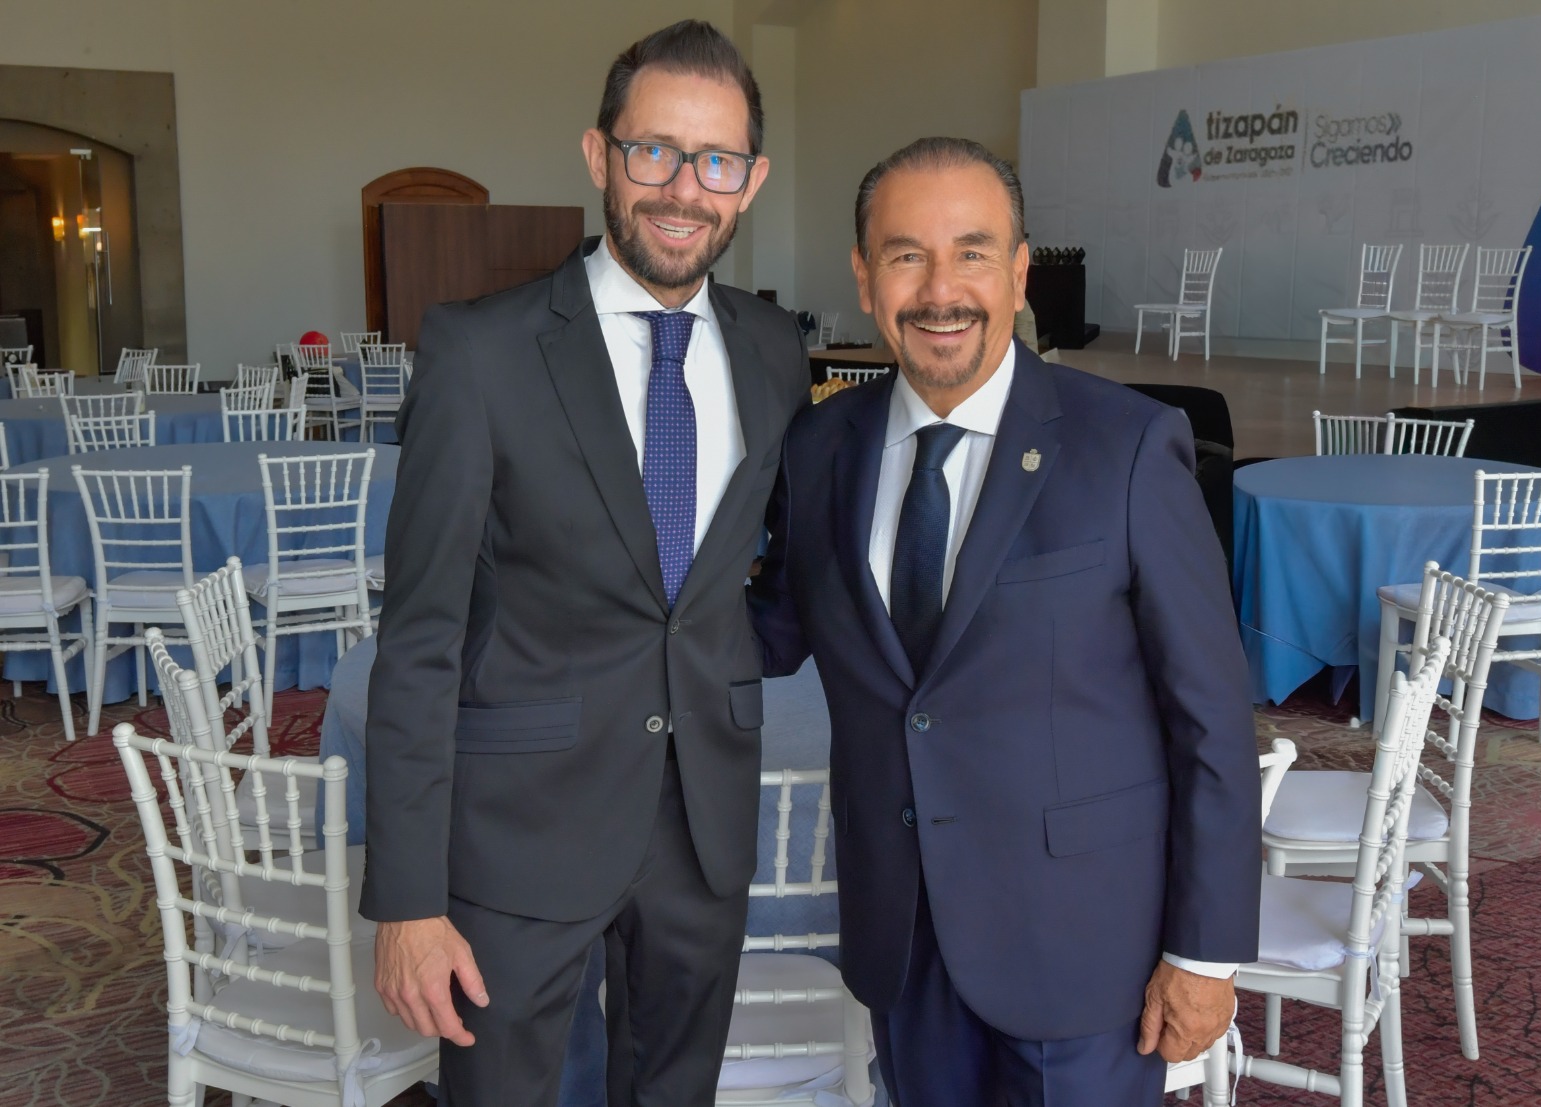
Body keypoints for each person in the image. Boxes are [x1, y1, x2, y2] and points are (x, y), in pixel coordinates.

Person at [748, 136, 1261, 1106]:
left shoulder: (1125, 445)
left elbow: (1210, 714)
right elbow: (769, 631)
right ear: (864, 276)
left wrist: (1204, 952)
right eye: (907, 254)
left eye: (972, 252)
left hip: (1084, 953)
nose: (941, 290)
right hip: (905, 941)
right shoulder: (820, 447)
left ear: (1019, 272)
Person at [360, 20, 811, 1106]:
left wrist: (728, 661)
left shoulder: (772, 349)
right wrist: (408, 900)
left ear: (751, 182)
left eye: (716, 161)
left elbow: (779, 571)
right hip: (518, 831)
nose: (683, 189)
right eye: (654, 151)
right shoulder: (480, 350)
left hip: (701, 826)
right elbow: (419, 639)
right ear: (599, 155)